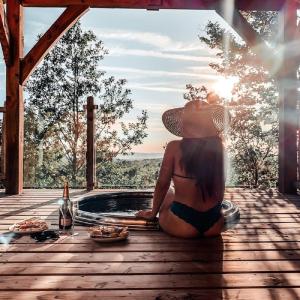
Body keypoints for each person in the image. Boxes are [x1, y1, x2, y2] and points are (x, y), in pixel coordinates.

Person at [136, 93, 230, 238]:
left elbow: (162, 183)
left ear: (185, 123)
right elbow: (220, 189)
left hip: (182, 224)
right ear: (209, 123)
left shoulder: (174, 147)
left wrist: (152, 213)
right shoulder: (220, 148)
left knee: (169, 192)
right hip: (215, 223)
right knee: (174, 193)